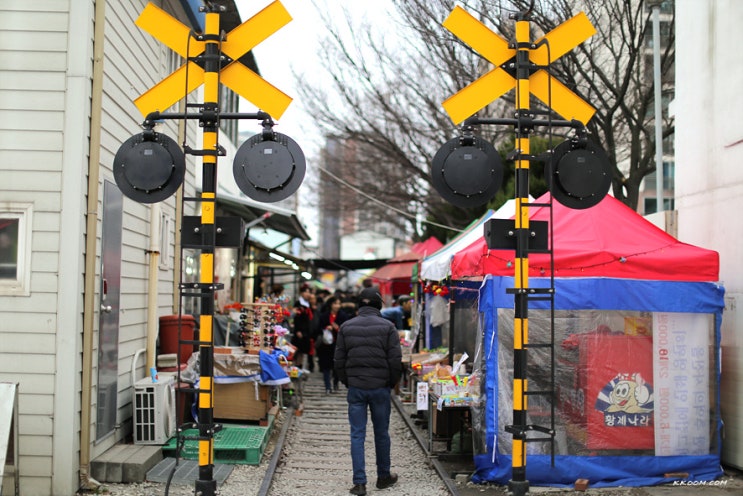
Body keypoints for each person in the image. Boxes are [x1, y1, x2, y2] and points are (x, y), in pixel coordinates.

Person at [334, 287, 401, 496]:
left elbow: (338, 361)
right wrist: (390, 383)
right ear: (378, 304)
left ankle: (360, 482)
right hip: (380, 388)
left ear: (360, 306)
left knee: (357, 434)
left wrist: (348, 381)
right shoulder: (388, 327)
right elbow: (395, 361)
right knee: (381, 433)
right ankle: (383, 477)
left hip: (356, 389)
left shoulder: (346, 327)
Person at [316, 296, 350, 393]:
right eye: (335, 303)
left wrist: (337, 328)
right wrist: (326, 328)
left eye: (339, 304)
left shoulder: (343, 316)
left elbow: (347, 330)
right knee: (326, 366)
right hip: (325, 345)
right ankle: (327, 386)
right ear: (331, 305)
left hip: (338, 345)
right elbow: (318, 329)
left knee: (337, 366)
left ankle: (335, 382)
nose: (337, 306)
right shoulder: (324, 316)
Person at [291, 283, 313, 370]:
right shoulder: (298, 303)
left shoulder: (308, 304)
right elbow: (297, 318)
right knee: (296, 350)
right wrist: (298, 330)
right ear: (301, 293)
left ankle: (299, 368)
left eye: (309, 292)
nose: (308, 294)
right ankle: (294, 368)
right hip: (299, 330)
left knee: (302, 351)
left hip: (306, 330)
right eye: (306, 292)